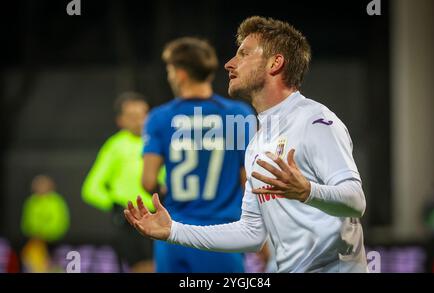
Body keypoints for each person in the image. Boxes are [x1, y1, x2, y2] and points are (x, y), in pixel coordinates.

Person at [125, 16, 367, 273]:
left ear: (275, 63)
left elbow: (355, 200)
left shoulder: (315, 121)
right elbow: (251, 233)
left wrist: (307, 191)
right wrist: (174, 230)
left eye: (244, 54)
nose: (229, 64)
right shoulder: (258, 141)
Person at [140, 37, 255, 273]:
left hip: (174, 234)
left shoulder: (159, 117)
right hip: (223, 236)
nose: (169, 76)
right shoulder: (238, 115)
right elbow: (249, 182)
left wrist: (167, 193)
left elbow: (148, 181)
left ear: (180, 74)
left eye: (170, 70)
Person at [82, 92, 166, 272]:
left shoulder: (158, 141)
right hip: (132, 221)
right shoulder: (115, 146)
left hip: (160, 216)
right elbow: (91, 188)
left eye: (143, 115)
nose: (140, 121)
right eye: (132, 116)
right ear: (120, 120)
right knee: (144, 267)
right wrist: (115, 207)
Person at [21, 175, 70, 272]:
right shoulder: (32, 202)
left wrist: (49, 233)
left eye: (43, 186)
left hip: (53, 238)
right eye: (38, 186)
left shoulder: (56, 202)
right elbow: (27, 219)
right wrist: (33, 232)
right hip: (35, 238)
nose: (41, 189)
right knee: (32, 258)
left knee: (53, 260)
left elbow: (59, 220)